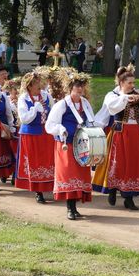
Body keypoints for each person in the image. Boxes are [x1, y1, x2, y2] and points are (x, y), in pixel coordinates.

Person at [92, 66, 139, 210]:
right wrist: (126, 97)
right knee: (118, 163)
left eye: (134, 83)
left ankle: (129, 198)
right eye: (130, 83)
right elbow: (112, 108)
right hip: (120, 133)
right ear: (121, 83)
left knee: (133, 164)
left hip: (135, 133)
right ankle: (113, 189)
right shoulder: (112, 95)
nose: (133, 86)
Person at [45, 72, 95, 220]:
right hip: (66, 144)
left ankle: (75, 208)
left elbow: (92, 121)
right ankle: (69, 208)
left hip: (82, 145)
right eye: (77, 86)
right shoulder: (62, 104)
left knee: (80, 175)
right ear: (70, 87)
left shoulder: (85, 103)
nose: (80, 89)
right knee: (69, 175)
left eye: (82, 86)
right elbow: (50, 125)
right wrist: (60, 129)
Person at [15, 71, 54, 204]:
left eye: (39, 83)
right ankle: (38, 191)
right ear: (29, 86)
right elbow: (24, 119)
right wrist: (34, 110)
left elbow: (53, 113)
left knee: (46, 161)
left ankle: (48, 186)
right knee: (35, 162)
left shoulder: (46, 96)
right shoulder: (23, 99)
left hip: (46, 134)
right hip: (31, 134)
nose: (39, 86)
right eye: (36, 84)